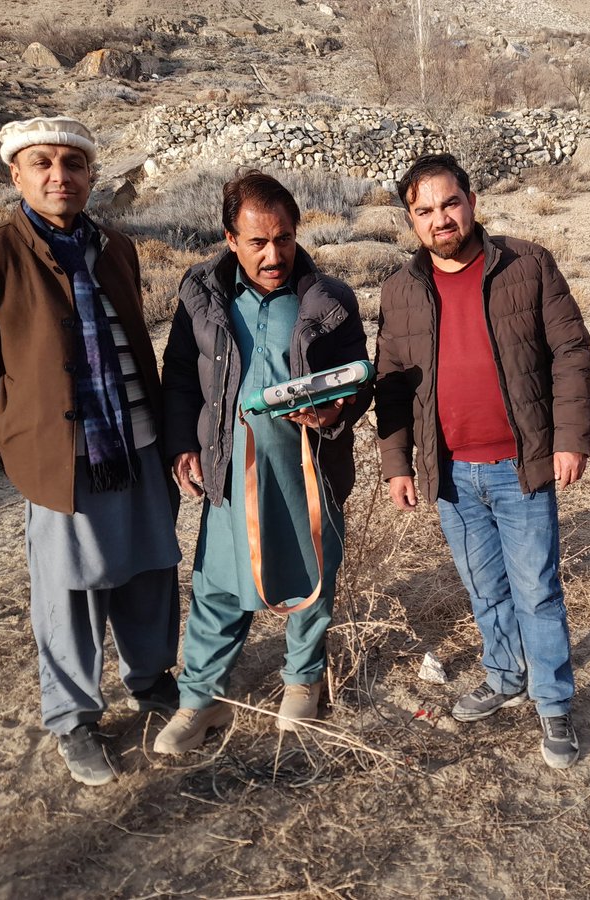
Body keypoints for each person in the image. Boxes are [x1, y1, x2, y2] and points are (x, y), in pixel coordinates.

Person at [0, 116, 181, 787]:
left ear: (90, 175)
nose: (58, 176)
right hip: (65, 456)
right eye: (40, 163)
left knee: (150, 567)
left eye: (71, 163)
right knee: (69, 589)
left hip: (138, 438)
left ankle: (152, 680)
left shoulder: (117, 249)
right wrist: (29, 420)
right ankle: (73, 717)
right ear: (15, 174)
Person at [374, 153, 590, 769]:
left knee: (537, 591)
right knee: (485, 588)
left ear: (471, 201)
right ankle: (504, 676)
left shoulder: (527, 264)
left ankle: (553, 704)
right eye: (424, 211)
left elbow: (571, 351)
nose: (440, 218)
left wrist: (570, 438)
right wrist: (397, 463)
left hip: (519, 465)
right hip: (450, 477)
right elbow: (390, 382)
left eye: (449, 203)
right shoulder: (401, 289)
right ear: (411, 221)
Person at [155, 170, 371, 754]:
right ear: (230, 238)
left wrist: (335, 414)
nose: (273, 254)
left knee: (312, 574)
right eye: (257, 241)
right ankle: (200, 701)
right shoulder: (200, 297)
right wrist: (183, 445)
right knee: (218, 584)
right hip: (230, 468)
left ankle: (303, 681)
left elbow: (357, 376)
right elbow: (178, 379)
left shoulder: (330, 299)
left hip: (308, 468)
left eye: (284, 238)